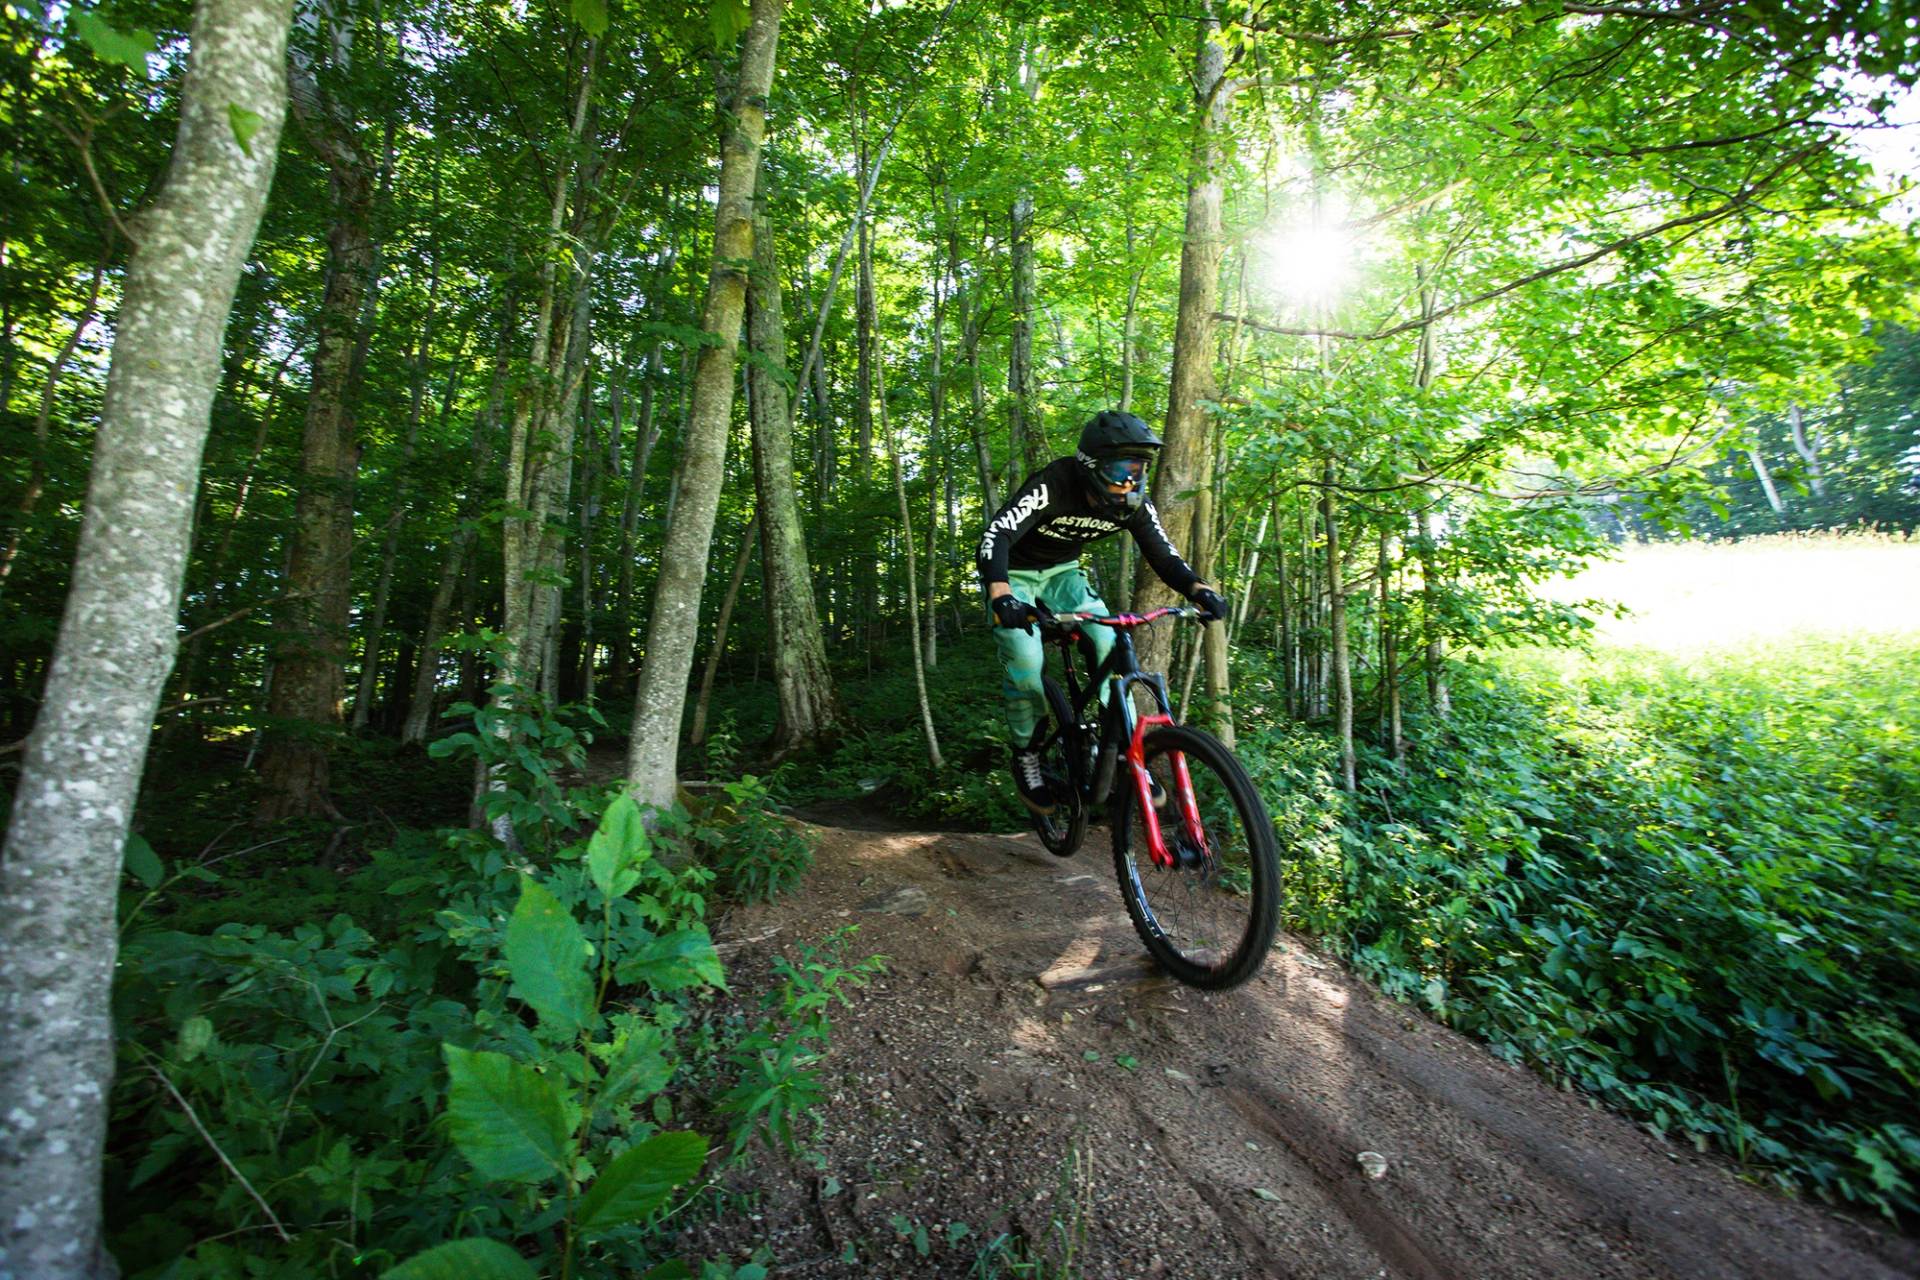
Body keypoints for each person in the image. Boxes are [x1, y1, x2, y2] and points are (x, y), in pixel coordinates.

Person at [976, 410, 1228, 815]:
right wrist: (1000, 593)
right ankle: (1027, 754)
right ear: (1091, 466)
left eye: (1138, 470)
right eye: (1120, 470)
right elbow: (997, 533)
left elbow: (1163, 555)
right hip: (1014, 574)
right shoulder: (1055, 484)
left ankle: (1128, 753)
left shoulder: (1134, 505)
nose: (1130, 481)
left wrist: (1198, 589)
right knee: (1025, 659)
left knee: (1110, 640)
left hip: (1063, 574)